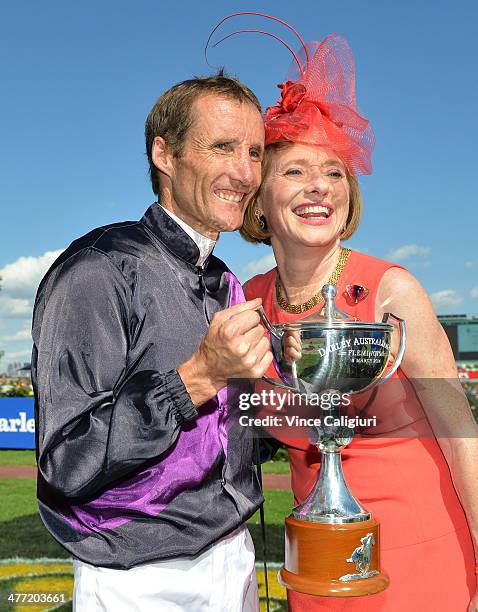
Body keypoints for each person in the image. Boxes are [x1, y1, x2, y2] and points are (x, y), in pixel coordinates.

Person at [239, 25, 478, 612]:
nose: (319, 186)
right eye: (294, 171)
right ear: (258, 199)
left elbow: (460, 432)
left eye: (334, 172)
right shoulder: (244, 298)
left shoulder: (391, 289)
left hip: (418, 555)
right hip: (313, 562)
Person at [31, 73, 274, 611]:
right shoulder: (99, 268)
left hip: (234, 556)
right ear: (165, 154)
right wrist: (198, 378)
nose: (245, 172)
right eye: (223, 147)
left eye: (255, 152)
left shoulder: (226, 279)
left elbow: (228, 439)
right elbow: (67, 463)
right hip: (140, 576)